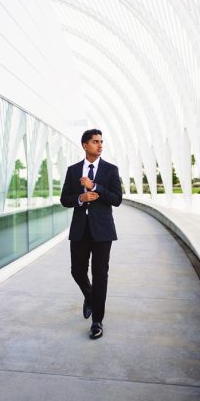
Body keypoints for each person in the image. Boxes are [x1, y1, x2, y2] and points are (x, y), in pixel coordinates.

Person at [60, 128, 122, 340]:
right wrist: (81, 198)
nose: (100, 145)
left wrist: (94, 186)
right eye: (95, 142)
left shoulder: (111, 170)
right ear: (85, 145)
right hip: (80, 230)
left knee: (100, 276)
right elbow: (64, 199)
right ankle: (89, 296)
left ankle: (97, 321)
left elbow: (117, 199)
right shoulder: (73, 170)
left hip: (103, 231)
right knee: (77, 270)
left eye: (101, 141)